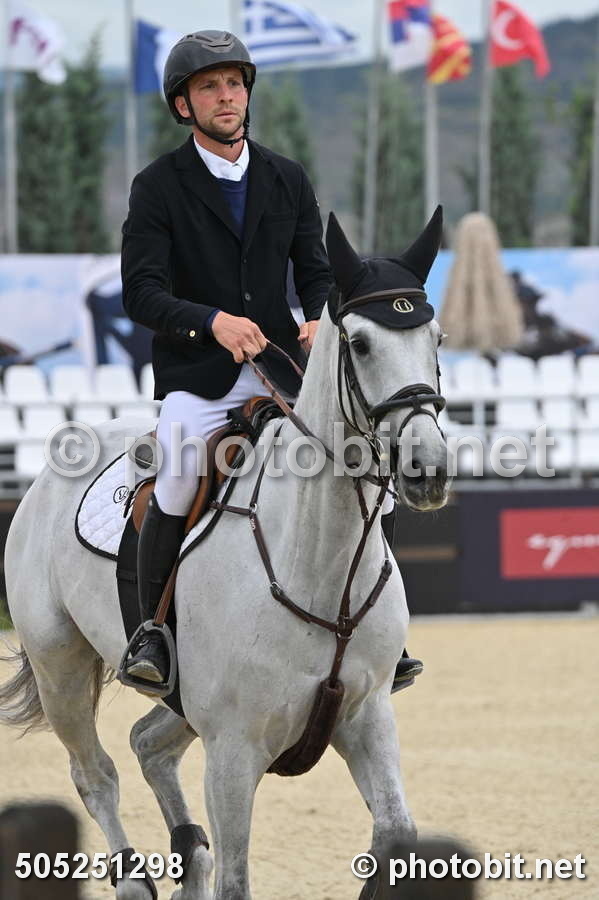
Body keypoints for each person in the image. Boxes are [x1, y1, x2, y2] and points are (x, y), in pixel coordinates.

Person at [120, 29, 422, 692]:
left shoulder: (285, 176)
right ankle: (153, 632)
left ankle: (383, 632)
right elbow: (141, 292)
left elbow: (315, 271)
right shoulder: (157, 186)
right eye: (209, 87)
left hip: (285, 368)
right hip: (199, 376)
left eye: (234, 84)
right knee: (177, 475)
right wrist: (211, 322)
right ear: (183, 106)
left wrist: (317, 316)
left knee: (368, 471)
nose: (226, 96)